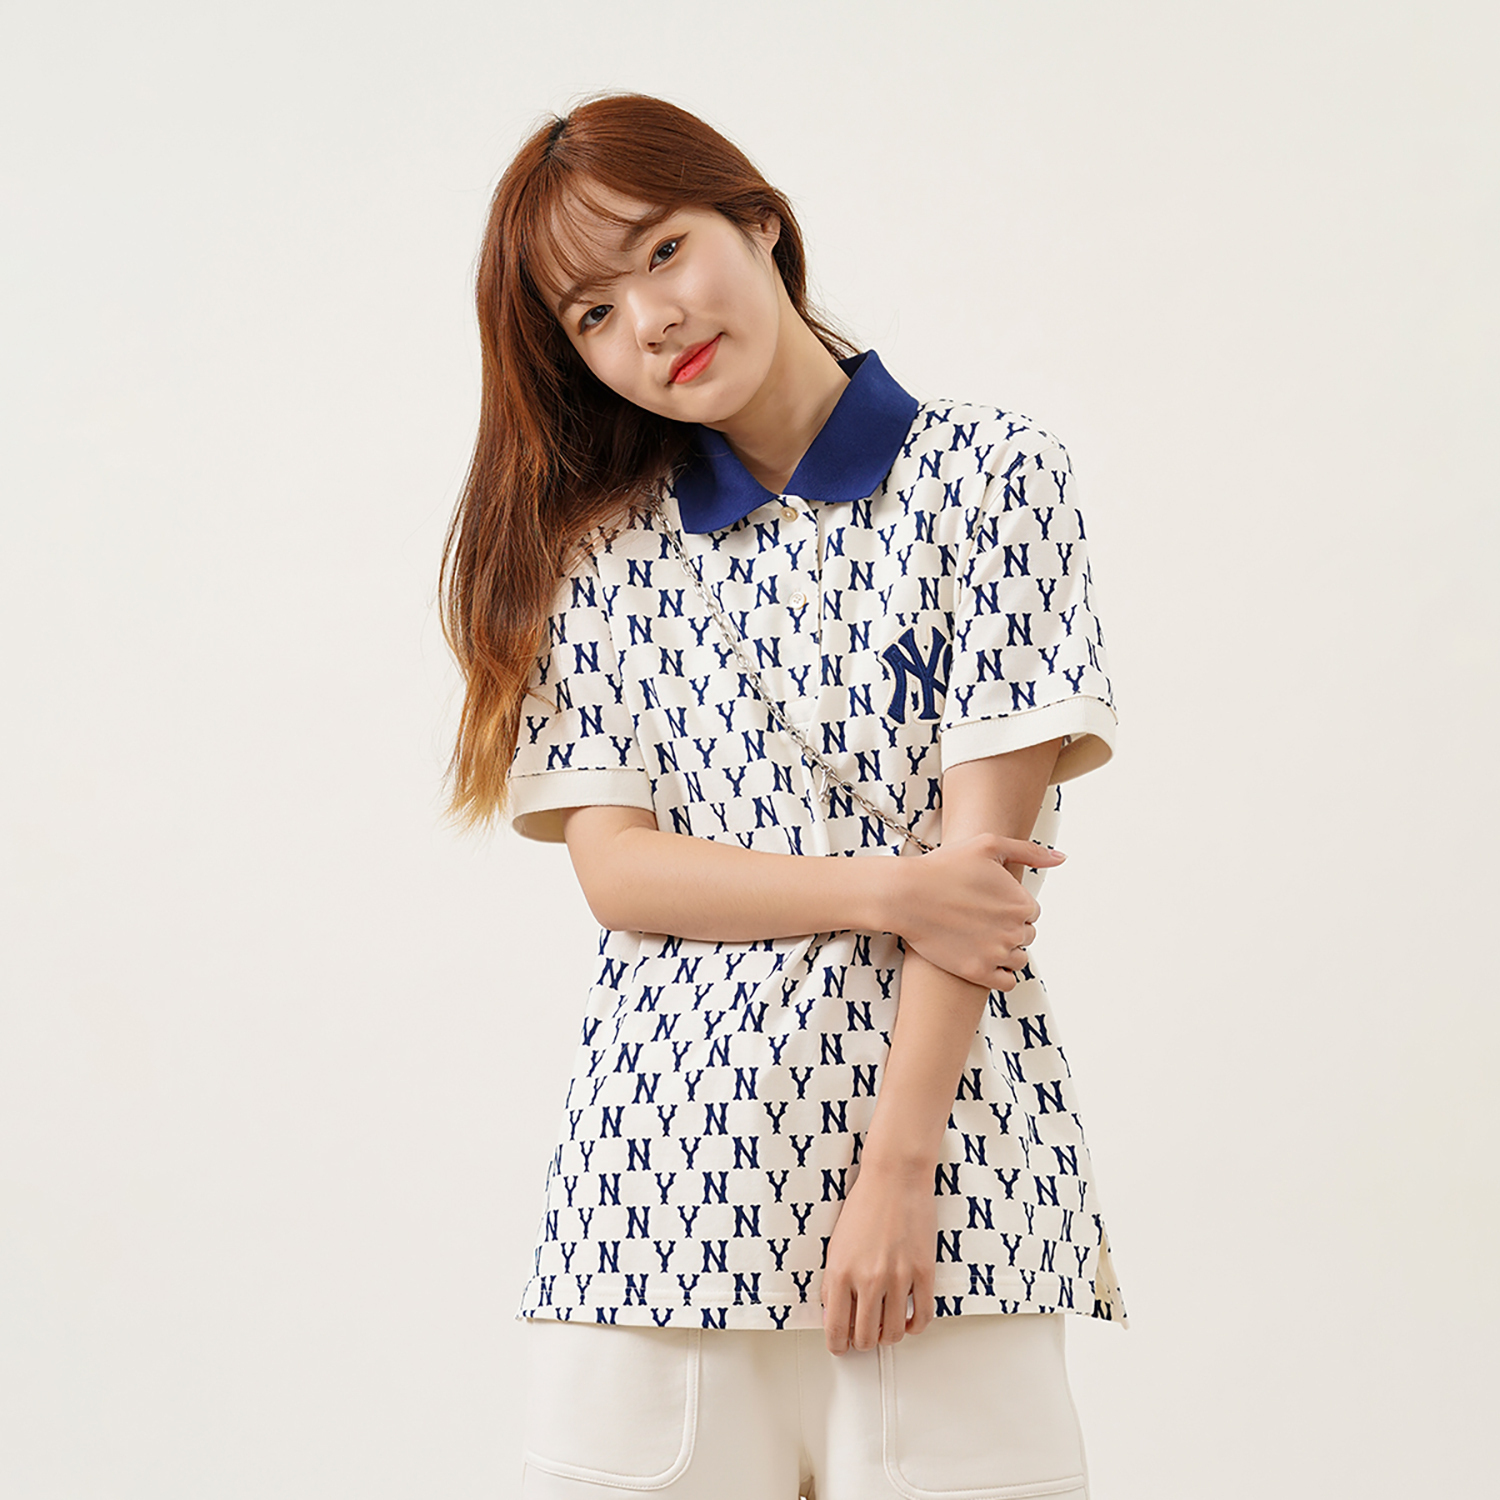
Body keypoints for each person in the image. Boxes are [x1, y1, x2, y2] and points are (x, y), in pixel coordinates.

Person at [442, 92, 1124, 1500]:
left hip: (954, 1194)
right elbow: (622, 874)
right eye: (591, 314)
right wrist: (893, 886)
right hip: (657, 1197)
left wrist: (899, 1172)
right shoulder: (600, 556)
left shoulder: (991, 479)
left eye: (663, 251)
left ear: (757, 221)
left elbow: (984, 882)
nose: (651, 321)